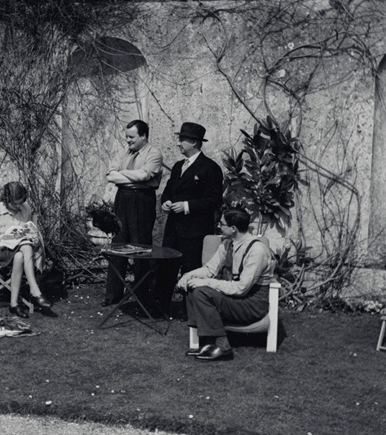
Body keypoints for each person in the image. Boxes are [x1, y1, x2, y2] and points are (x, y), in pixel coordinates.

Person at [177, 207, 275, 361]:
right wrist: (188, 276)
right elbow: (210, 269)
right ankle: (207, 343)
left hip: (251, 304)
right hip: (235, 299)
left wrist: (207, 283)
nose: (218, 226)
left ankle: (223, 347)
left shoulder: (257, 250)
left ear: (233, 228)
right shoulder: (227, 244)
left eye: (222, 224)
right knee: (193, 288)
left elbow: (241, 288)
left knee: (202, 292)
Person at [154, 122, 223, 316]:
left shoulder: (210, 168)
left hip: (195, 230)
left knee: (191, 269)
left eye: (182, 139)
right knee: (166, 267)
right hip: (173, 227)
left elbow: (213, 200)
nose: (178, 144)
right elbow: (168, 191)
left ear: (193, 142)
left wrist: (186, 206)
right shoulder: (177, 167)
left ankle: (192, 311)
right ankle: (160, 308)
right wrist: (166, 202)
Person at [103, 119, 164, 307]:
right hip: (123, 199)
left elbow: (145, 176)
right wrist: (130, 177)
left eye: (132, 137)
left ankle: (141, 296)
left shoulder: (154, 154)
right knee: (118, 245)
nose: (128, 141)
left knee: (140, 247)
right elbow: (109, 174)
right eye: (126, 137)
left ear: (143, 136)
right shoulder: (124, 152)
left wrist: (121, 175)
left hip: (142, 200)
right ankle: (113, 295)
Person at [0, 182, 55, 318]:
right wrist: (11, 235)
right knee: (25, 246)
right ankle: (35, 291)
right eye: (14, 204)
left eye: (20, 203)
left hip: (19, 250)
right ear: (6, 200)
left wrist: (32, 234)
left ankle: (14, 305)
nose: (18, 206)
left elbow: (30, 228)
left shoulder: (25, 208)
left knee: (20, 256)